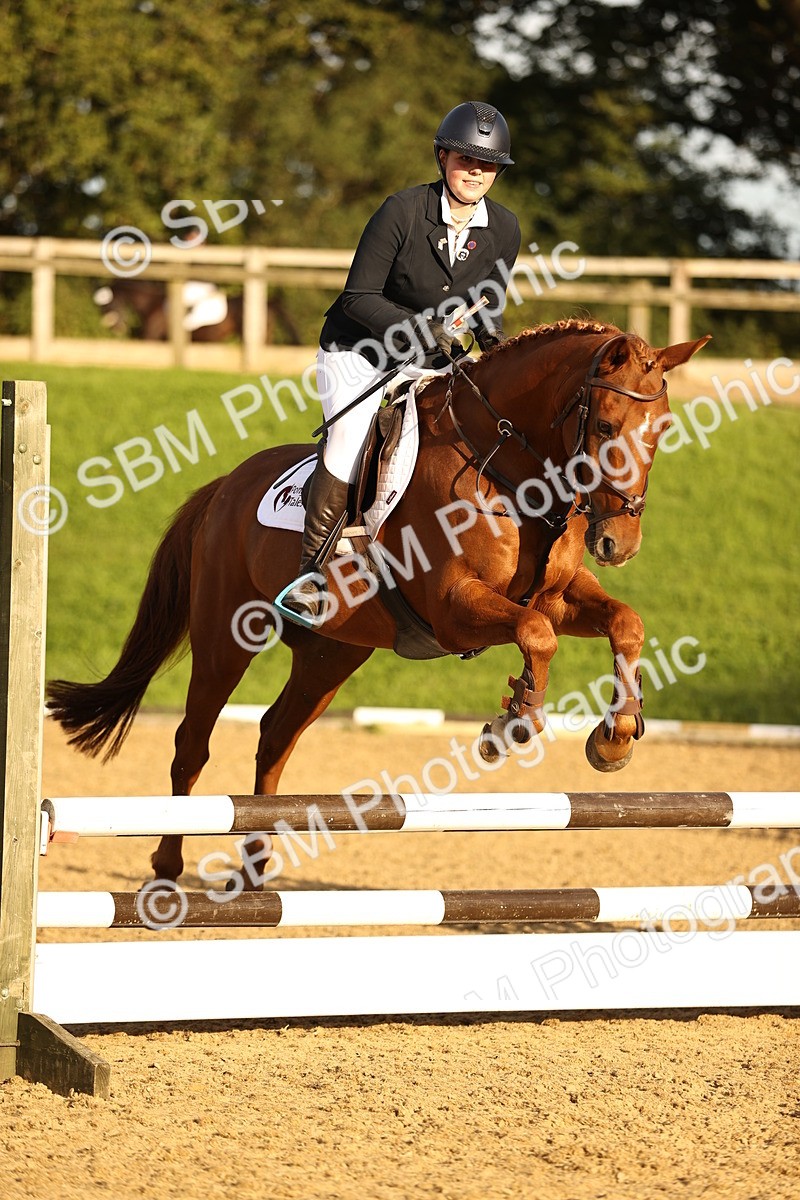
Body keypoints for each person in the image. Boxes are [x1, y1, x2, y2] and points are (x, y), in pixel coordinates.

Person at [277, 100, 521, 626]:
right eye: (464, 159)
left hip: (430, 359)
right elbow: (356, 297)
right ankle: (312, 577)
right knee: (348, 441)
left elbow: (487, 300)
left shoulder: (504, 228)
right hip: (360, 351)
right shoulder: (402, 211)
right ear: (442, 157)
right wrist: (419, 329)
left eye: (487, 164)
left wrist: (493, 336)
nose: (475, 171)